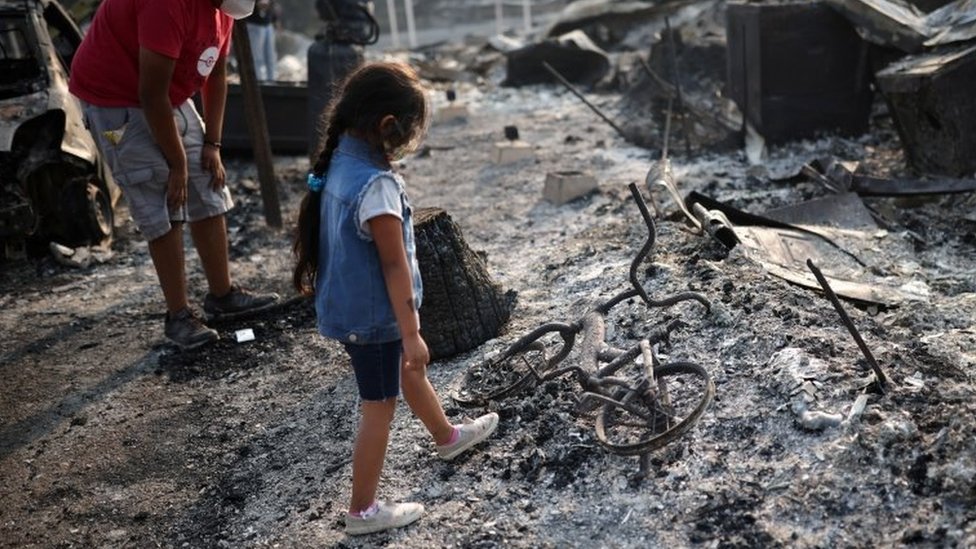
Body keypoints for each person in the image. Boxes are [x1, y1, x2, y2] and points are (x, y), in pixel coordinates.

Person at [292, 62, 498, 536]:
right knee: (379, 405)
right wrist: (412, 333)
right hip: (375, 317)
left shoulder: (341, 159)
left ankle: (446, 437)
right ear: (387, 126)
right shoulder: (376, 187)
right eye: (407, 133)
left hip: (350, 310)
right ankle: (362, 510)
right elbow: (393, 265)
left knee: (407, 374)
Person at [69, 0, 280, 350]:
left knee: (208, 183)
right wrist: (177, 164)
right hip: (117, 98)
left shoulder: (222, 10)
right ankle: (178, 316)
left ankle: (222, 295)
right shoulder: (166, 5)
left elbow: (216, 73)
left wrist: (212, 142)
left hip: (167, 93)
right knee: (165, 195)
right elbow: (151, 95)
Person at [244, 0, 278, 82]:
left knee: (271, 56)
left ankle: (271, 81)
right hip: (254, 22)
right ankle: (259, 82)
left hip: (268, 23)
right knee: (257, 57)